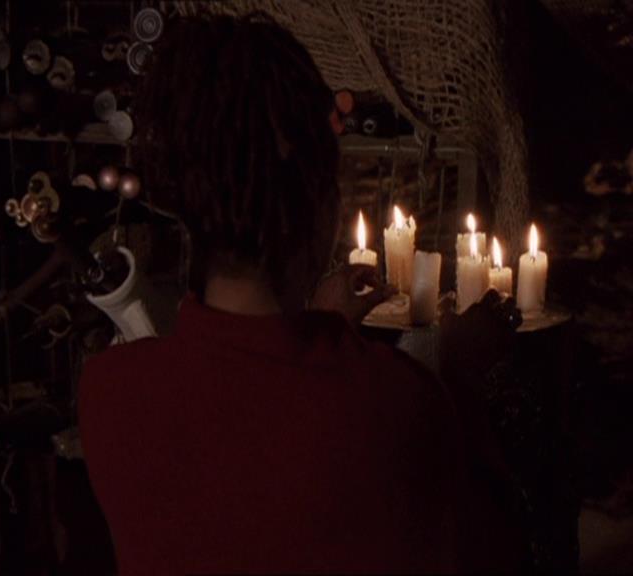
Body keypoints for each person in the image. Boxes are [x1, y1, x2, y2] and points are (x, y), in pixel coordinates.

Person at [79, 14, 524, 575]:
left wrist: (320, 326)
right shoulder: (395, 402)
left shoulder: (109, 392)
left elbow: (248, 437)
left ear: (183, 202)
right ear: (323, 208)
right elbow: (484, 548)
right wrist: (461, 382)